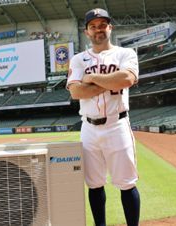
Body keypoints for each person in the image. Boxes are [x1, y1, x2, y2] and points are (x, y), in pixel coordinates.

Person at [66, 8, 140, 226]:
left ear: (110, 27)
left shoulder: (126, 54)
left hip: (117, 124)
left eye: (102, 25)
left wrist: (93, 78)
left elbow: (126, 79)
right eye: (93, 26)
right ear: (87, 32)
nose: (98, 29)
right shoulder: (78, 59)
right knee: (94, 184)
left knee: (127, 184)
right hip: (89, 128)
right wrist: (110, 81)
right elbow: (76, 92)